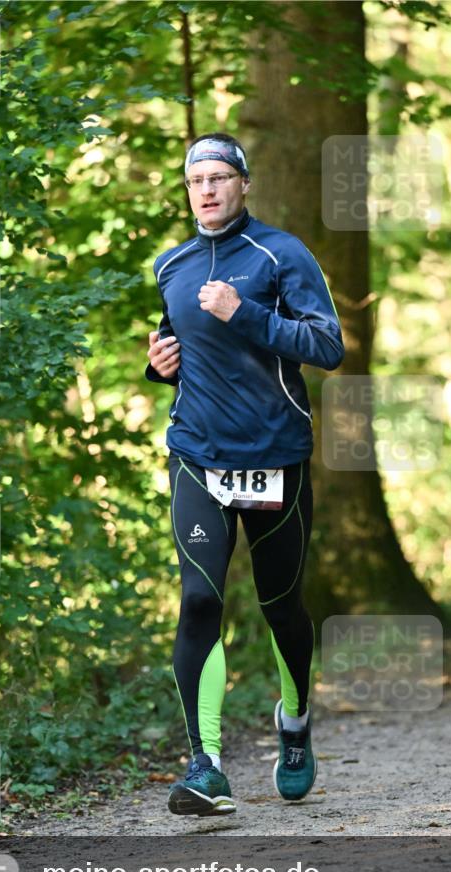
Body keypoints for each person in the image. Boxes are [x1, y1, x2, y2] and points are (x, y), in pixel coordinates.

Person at [145, 133, 344, 817]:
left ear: (242, 184)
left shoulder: (280, 255)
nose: (206, 190)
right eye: (195, 179)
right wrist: (158, 364)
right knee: (200, 601)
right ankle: (205, 766)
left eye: (219, 177)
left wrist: (248, 312)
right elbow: (184, 348)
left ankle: (293, 721)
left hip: (273, 457)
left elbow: (326, 345)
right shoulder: (169, 265)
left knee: (279, 604)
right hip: (197, 455)